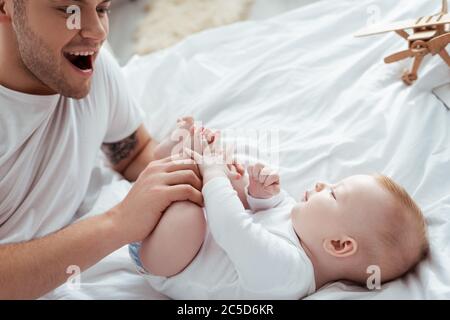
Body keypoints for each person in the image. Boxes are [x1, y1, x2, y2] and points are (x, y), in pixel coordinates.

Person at [0, 0, 208, 299]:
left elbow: (133, 153)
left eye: (102, 8)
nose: (97, 32)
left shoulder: (90, 68)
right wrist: (119, 224)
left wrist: (190, 169)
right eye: (68, 10)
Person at [129, 130, 430, 299]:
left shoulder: (288, 274)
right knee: (233, 178)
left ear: (339, 245)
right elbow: (263, 223)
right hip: (198, 243)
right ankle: (176, 156)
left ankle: (171, 164)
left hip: (167, 264)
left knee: (191, 215)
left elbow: (233, 227)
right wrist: (261, 198)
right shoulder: (302, 231)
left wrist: (212, 172)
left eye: (334, 193)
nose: (323, 184)